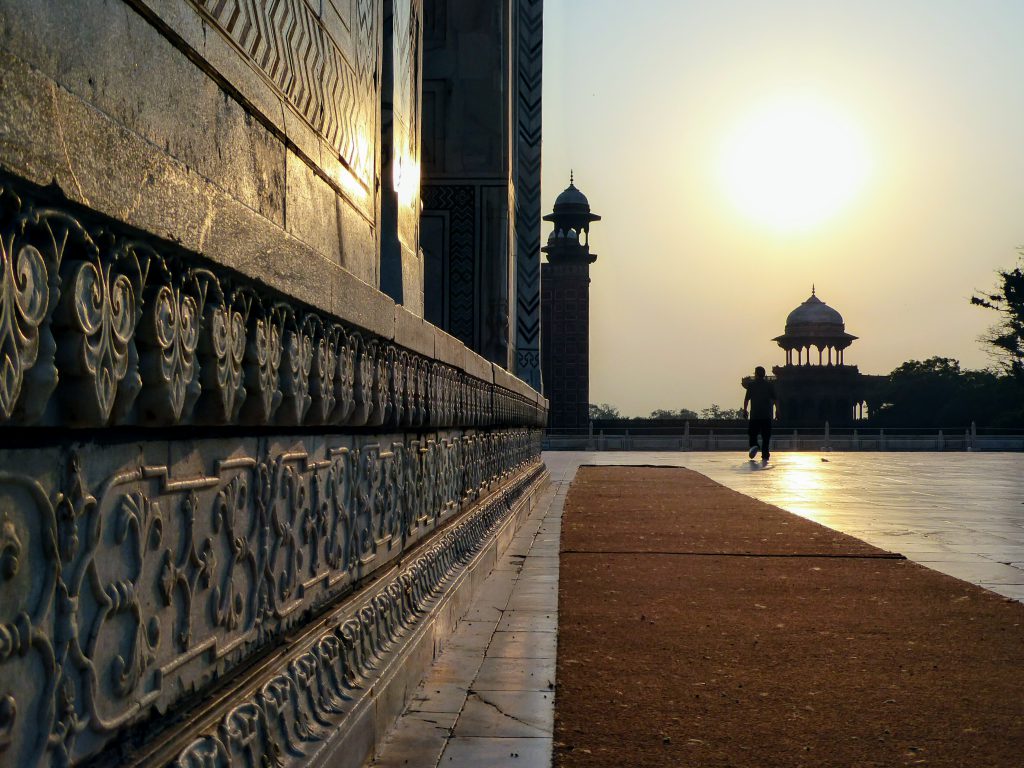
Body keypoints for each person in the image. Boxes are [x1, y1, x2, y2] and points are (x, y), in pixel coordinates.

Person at [742, 366, 777, 462]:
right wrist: (777, 411)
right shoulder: (769, 385)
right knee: (766, 436)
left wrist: (745, 410)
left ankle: (755, 446)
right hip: (767, 415)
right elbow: (775, 399)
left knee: (752, 434)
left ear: (756, 374)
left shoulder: (751, 385)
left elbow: (746, 400)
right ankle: (765, 454)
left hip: (755, 415)